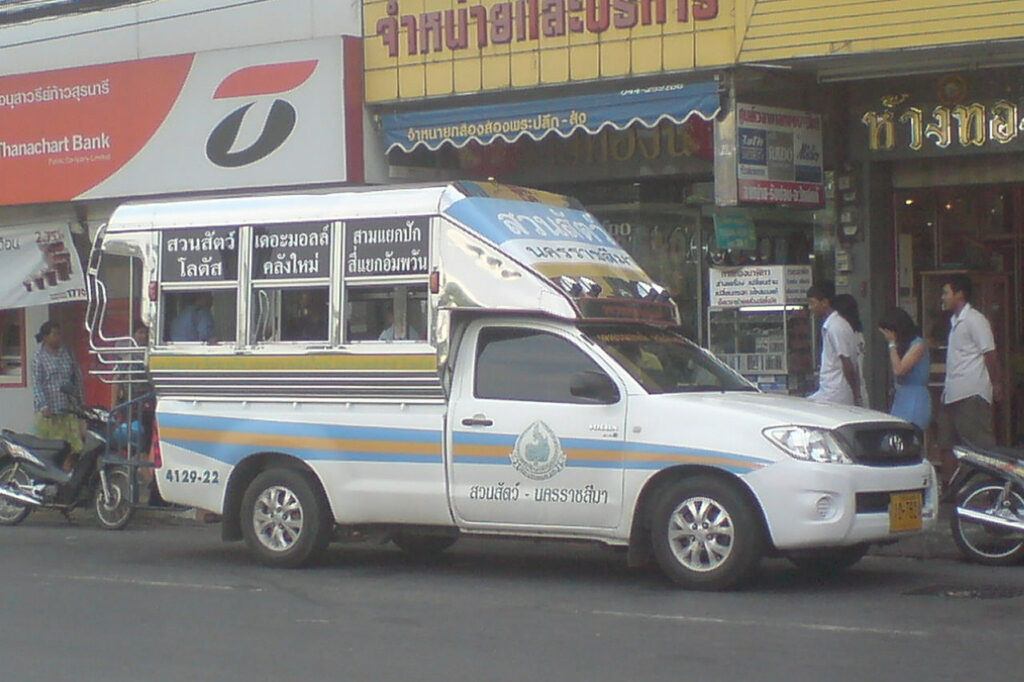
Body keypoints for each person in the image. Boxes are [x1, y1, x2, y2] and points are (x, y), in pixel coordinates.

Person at [939, 274, 1002, 449]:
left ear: (959, 294)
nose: (943, 297)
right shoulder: (954, 322)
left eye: (946, 293)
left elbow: (990, 353)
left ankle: (984, 478)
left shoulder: (975, 320)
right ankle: (952, 478)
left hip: (972, 395)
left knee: (978, 449)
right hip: (952, 394)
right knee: (947, 446)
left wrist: (996, 384)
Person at [31, 321, 85, 472]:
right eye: (55, 334)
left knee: (75, 446)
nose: (58, 337)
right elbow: (37, 384)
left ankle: (67, 473)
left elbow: (77, 377)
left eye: (60, 334)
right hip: (50, 414)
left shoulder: (67, 352)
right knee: (52, 448)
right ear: (45, 337)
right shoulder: (39, 357)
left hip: (68, 409)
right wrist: (44, 406)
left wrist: (81, 403)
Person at [807, 284, 863, 407]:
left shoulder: (836, 326)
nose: (810, 308)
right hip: (828, 390)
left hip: (836, 394)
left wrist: (856, 393)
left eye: (812, 303)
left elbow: (847, 363)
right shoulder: (831, 324)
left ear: (825, 302)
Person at [878, 308, 931, 430]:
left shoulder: (918, 345)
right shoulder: (903, 347)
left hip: (915, 397)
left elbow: (899, 369)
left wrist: (891, 344)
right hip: (902, 396)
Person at [833, 294, 868, 407]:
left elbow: (849, 365)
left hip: (847, 388)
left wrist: (856, 393)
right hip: (859, 385)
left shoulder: (841, 331)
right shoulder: (858, 333)